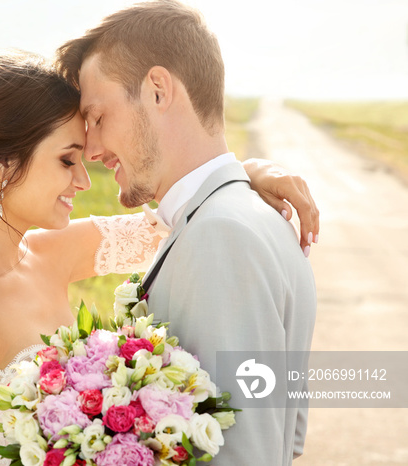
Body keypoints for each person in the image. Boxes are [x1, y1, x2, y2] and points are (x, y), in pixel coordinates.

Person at [0, 50, 318, 465]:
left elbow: (177, 218)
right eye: (67, 160)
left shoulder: (47, 254)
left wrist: (249, 174)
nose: (84, 181)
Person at [55, 1, 318, 464]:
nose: (91, 149)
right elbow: (286, 437)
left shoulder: (222, 237)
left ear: (157, 90)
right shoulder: (239, 216)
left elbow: (239, 451)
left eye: (98, 117)